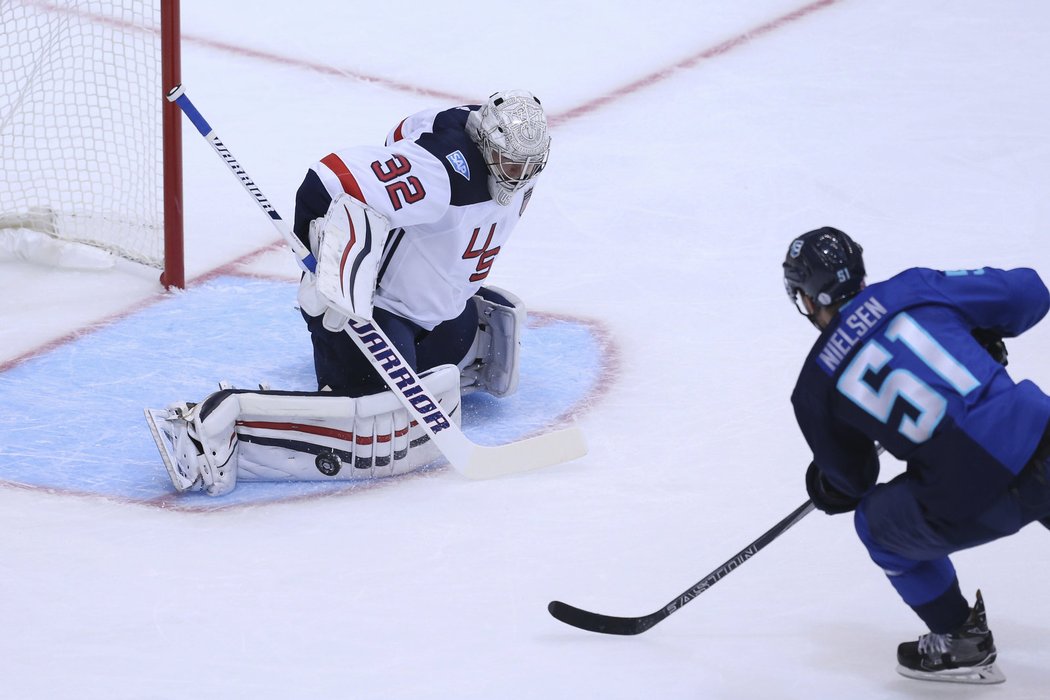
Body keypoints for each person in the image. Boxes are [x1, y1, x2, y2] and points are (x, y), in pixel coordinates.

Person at [146, 90, 551, 496]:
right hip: (376, 317)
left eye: (530, 166)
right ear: (483, 142)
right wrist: (325, 270)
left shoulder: (494, 153)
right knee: (381, 420)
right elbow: (326, 180)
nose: (518, 175)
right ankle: (219, 428)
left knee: (459, 347)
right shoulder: (441, 172)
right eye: (511, 162)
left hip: (441, 315)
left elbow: (406, 131)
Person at [782, 226, 1050, 685]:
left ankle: (959, 639)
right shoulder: (914, 288)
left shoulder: (813, 388)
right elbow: (1031, 293)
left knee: (875, 526)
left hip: (973, 499)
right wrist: (979, 326)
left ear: (807, 298)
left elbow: (854, 481)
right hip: (1040, 439)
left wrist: (829, 485)